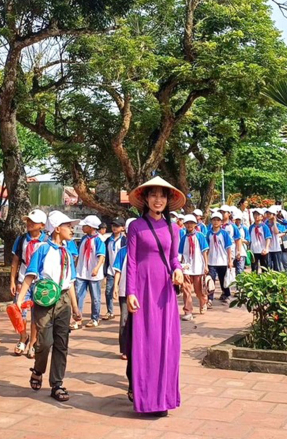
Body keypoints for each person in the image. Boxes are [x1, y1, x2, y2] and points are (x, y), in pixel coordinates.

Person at [125, 176, 186, 416]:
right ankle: (146, 399)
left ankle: (164, 399)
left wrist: (178, 269)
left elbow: (173, 257)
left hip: (165, 291)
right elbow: (130, 261)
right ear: (145, 199)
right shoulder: (135, 227)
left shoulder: (174, 228)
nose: (158, 199)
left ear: (168, 200)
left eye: (162, 195)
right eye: (153, 195)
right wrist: (130, 291)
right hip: (142, 288)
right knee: (145, 343)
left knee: (167, 344)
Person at [16, 211, 81, 403]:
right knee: (44, 342)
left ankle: (57, 384)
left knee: (62, 344)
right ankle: (38, 369)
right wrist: (20, 299)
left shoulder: (68, 253)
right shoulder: (43, 250)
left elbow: (70, 283)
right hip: (44, 300)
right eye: (68, 226)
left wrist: (76, 309)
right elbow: (30, 275)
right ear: (57, 229)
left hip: (63, 302)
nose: (72, 229)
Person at [9, 210, 48, 357]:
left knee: (36, 313)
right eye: (28, 221)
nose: (29, 224)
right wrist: (12, 280)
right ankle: (22, 337)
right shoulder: (21, 239)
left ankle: (33, 342)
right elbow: (15, 261)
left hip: (39, 281)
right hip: (22, 278)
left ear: (42, 225)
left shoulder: (47, 241)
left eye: (33, 222)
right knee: (19, 311)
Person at [75, 215, 106, 328]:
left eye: (85, 226)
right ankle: (78, 319)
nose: (82, 227)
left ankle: (95, 318)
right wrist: (75, 267)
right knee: (79, 295)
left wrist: (96, 268)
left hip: (94, 274)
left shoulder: (99, 240)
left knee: (96, 297)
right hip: (81, 272)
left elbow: (102, 256)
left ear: (91, 227)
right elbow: (79, 255)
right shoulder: (84, 239)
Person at [112, 218, 135, 360]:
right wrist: (115, 286)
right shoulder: (123, 251)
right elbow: (118, 270)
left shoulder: (144, 251)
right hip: (124, 290)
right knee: (124, 320)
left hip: (141, 293)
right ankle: (125, 349)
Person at [179, 214, 209, 319]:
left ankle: (203, 301)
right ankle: (188, 311)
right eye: (187, 223)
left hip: (198, 267)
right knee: (186, 289)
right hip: (187, 267)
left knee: (198, 290)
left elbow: (204, 251)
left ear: (195, 224)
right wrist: (180, 266)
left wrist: (206, 265)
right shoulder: (183, 238)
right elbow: (180, 254)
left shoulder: (200, 236)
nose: (189, 225)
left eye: (191, 223)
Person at [206, 211, 235, 305]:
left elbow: (228, 247)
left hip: (222, 261)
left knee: (223, 279)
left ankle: (227, 294)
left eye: (218, 220)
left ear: (221, 222)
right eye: (214, 220)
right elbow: (207, 248)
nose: (215, 222)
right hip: (211, 261)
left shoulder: (224, 233)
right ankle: (210, 298)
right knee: (211, 280)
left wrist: (229, 260)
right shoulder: (209, 234)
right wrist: (205, 261)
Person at [102, 219, 126, 322]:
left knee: (122, 293)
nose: (114, 228)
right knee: (108, 291)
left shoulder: (124, 240)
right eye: (113, 225)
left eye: (117, 225)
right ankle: (110, 311)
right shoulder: (108, 240)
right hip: (110, 270)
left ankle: (123, 311)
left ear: (122, 228)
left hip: (122, 271)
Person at [247, 209, 271, 273]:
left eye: (258, 214)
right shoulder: (251, 227)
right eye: (254, 214)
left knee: (265, 268)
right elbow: (249, 239)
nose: (256, 216)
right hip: (254, 251)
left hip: (263, 250)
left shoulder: (264, 227)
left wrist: (266, 248)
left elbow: (268, 238)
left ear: (262, 216)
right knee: (254, 269)